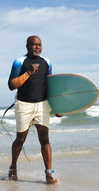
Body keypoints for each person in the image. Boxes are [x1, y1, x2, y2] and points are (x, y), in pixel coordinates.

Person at [7, 35, 60, 184]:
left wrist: (58, 107)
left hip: (42, 105)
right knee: (20, 139)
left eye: (39, 45)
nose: (37, 47)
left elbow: (51, 85)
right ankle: (13, 167)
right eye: (34, 44)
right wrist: (29, 72)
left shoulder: (47, 62)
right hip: (24, 105)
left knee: (45, 139)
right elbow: (12, 85)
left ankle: (49, 173)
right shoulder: (19, 62)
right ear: (27, 46)